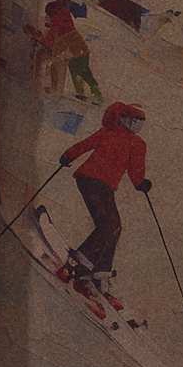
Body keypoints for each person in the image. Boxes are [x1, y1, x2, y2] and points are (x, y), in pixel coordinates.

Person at [60, 100, 150, 282]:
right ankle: (76, 263)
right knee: (108, 225)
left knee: (114, 227)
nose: (137, 125)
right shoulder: (109, 132)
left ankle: (101, 270)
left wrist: (140, 183)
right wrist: (68, 155)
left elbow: (135, 169)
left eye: (141, 122)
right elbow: (85, 144)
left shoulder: (137, 143)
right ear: (124, 118)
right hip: (90, 181)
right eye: (134, 120)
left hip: (104, 187)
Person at [45, 0, 100, 103]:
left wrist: (51, 49)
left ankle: (92, 94)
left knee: (80, 72)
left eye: (49, 16)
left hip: (78, 52)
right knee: (81, 72)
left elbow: (55, 39)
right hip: (80, 51)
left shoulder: (59, 27)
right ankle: (86, 93)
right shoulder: (64, 16)